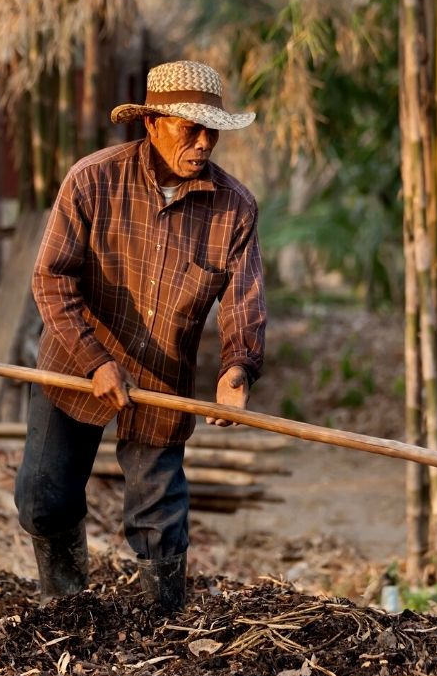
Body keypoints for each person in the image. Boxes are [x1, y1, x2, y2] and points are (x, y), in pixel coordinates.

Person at [14, 60, 266, 613]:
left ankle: (164, 625)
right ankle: (67, 605)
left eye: (211, 130)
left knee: (158, 518)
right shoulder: (92, 179)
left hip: (161, 374)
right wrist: (96, 361)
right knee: (44, 500)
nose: (203, 143)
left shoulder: (235, 208)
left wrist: (236, 370)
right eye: (188, 128)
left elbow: (243, 303)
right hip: (77, 360)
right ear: (151, 123)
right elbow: (50, 279)